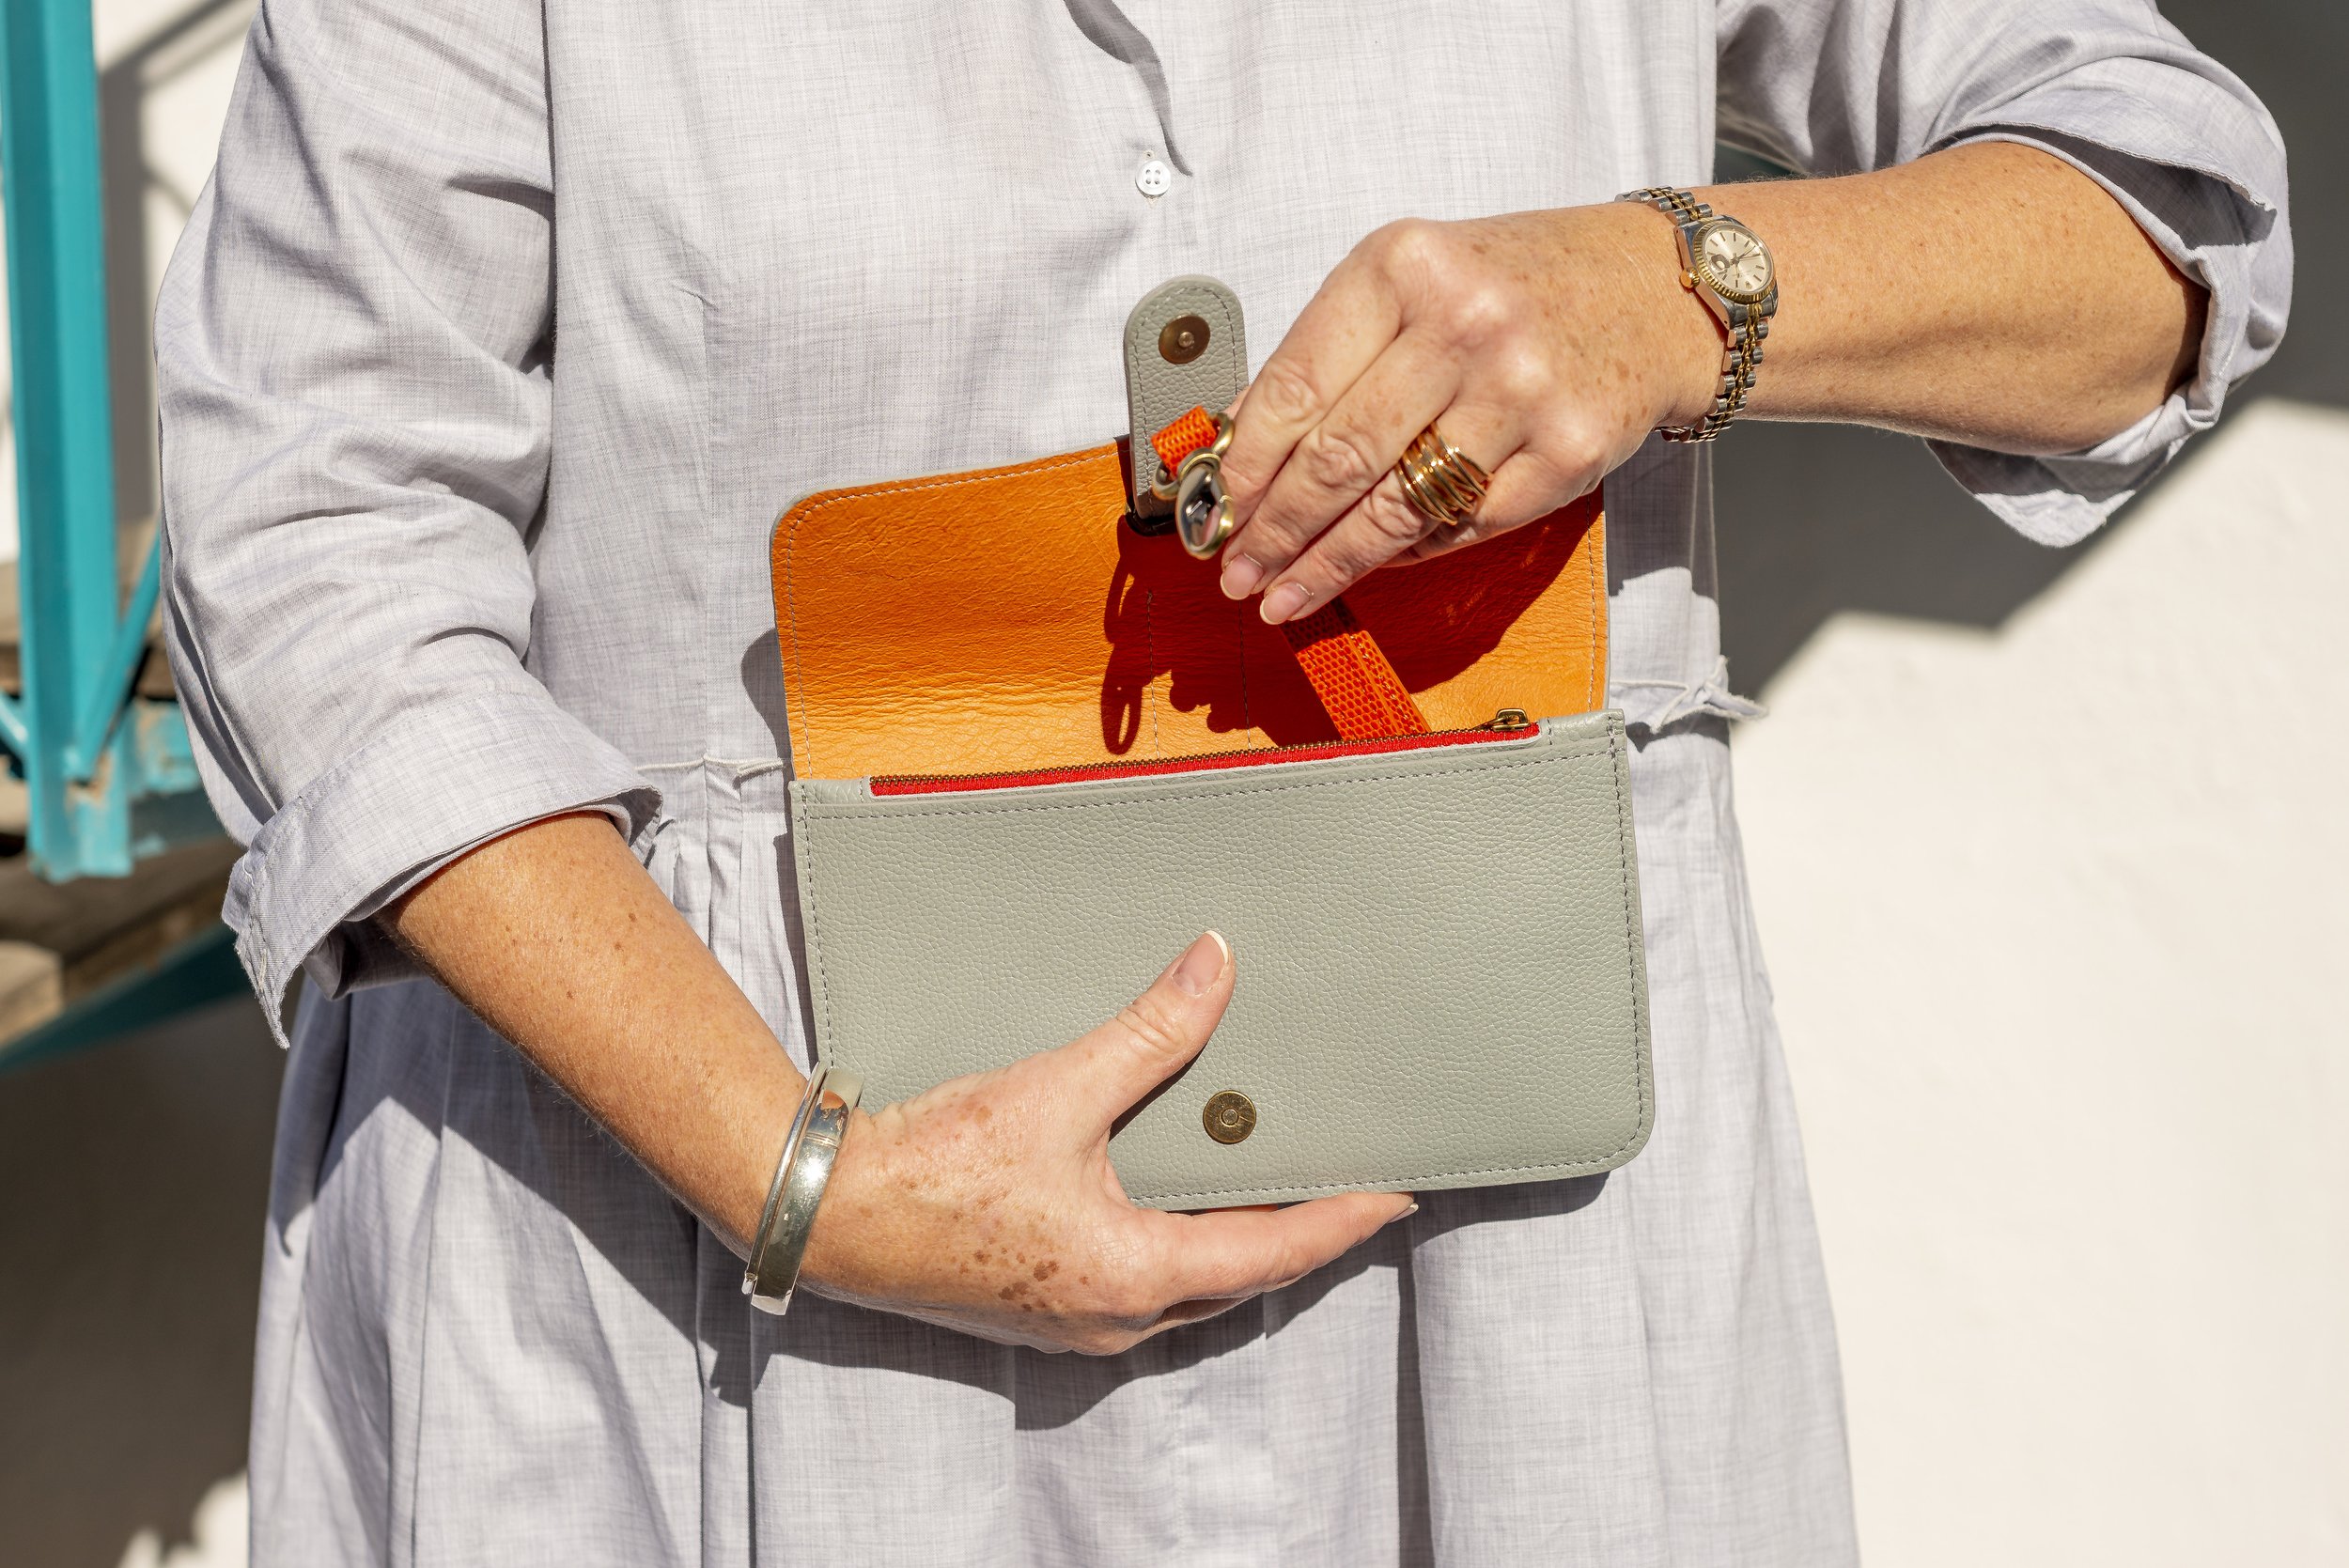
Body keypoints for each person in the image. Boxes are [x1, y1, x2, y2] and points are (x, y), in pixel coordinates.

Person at [156, 1, 2289, 1562]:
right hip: (723, 1297)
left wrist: (1674, 289)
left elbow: (2152, 231)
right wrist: (802, 1175)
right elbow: (311, 538)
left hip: (1496, 1310)